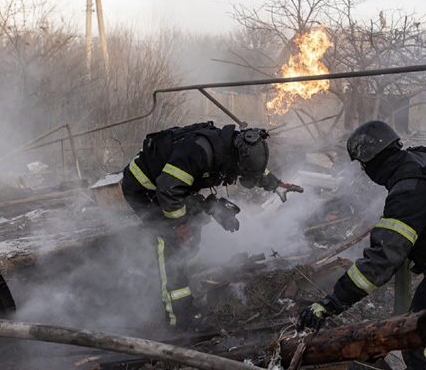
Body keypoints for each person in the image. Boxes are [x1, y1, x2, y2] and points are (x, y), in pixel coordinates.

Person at [297, 120, 426, 370]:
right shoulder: (423, 160)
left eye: (363, 165)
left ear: (375, 161)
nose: (362, 170)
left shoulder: (409, 191)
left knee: (422, 347)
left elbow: (382, 261)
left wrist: (329, 304)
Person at [121, 121, 303, 330]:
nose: (241, 174)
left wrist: (275, 184)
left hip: (174, 188)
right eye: (241, 170)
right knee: (169, 243)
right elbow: (168, 188)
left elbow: (250, 168)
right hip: (147, 188)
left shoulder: (231, 148)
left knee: (194, 225)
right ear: (238, 156)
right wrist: (180, 226)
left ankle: (181, 277)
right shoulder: (199, 150)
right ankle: (179, 319)